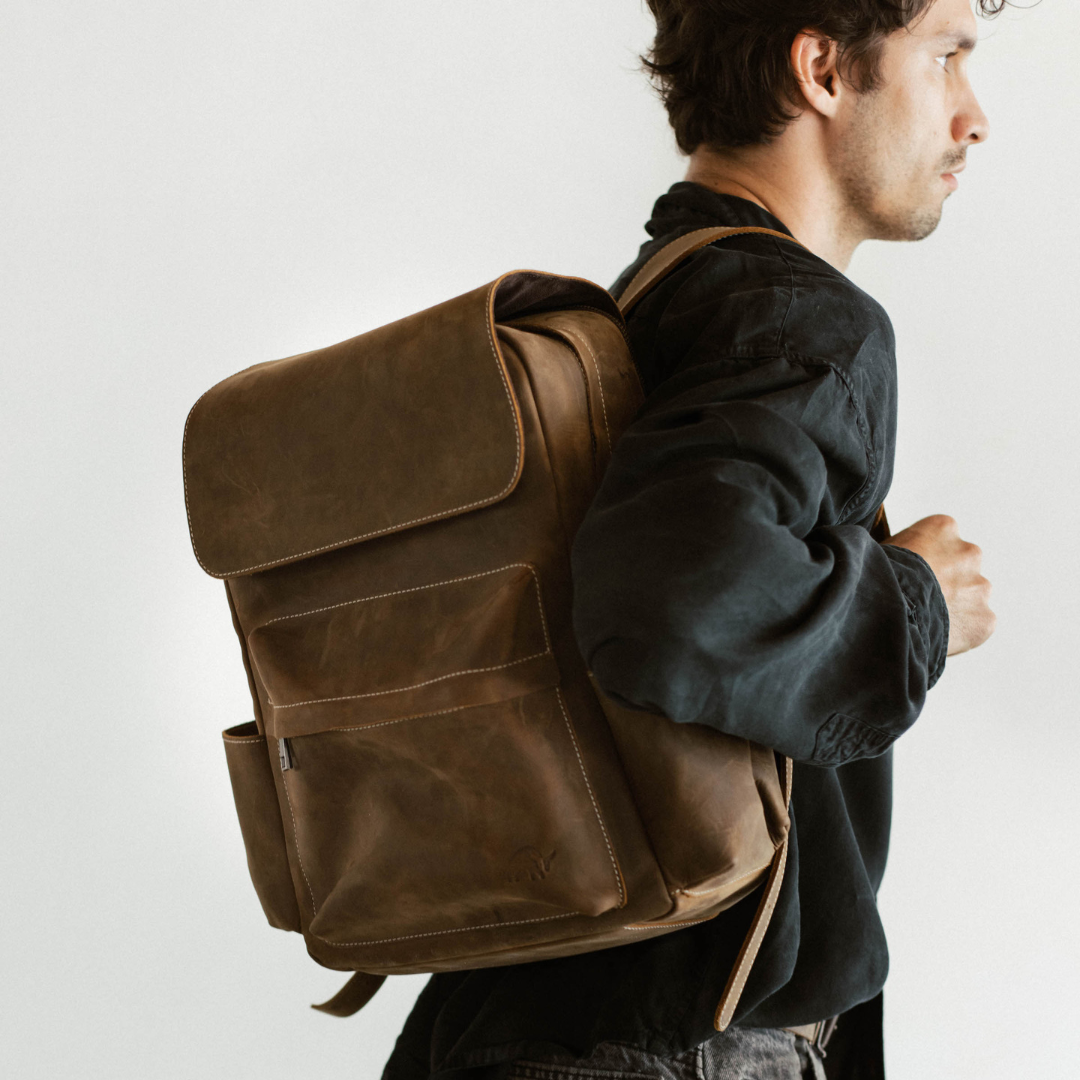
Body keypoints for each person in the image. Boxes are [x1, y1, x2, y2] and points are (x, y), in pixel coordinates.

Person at [383, 1, 999, 1077]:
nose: (973, 115)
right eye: (946, 56)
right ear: (822, 70)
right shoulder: (799, 323)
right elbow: (669, 607)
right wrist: (919, 604)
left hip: (528, 1017)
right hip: (672, 1046)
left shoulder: (640, 308)